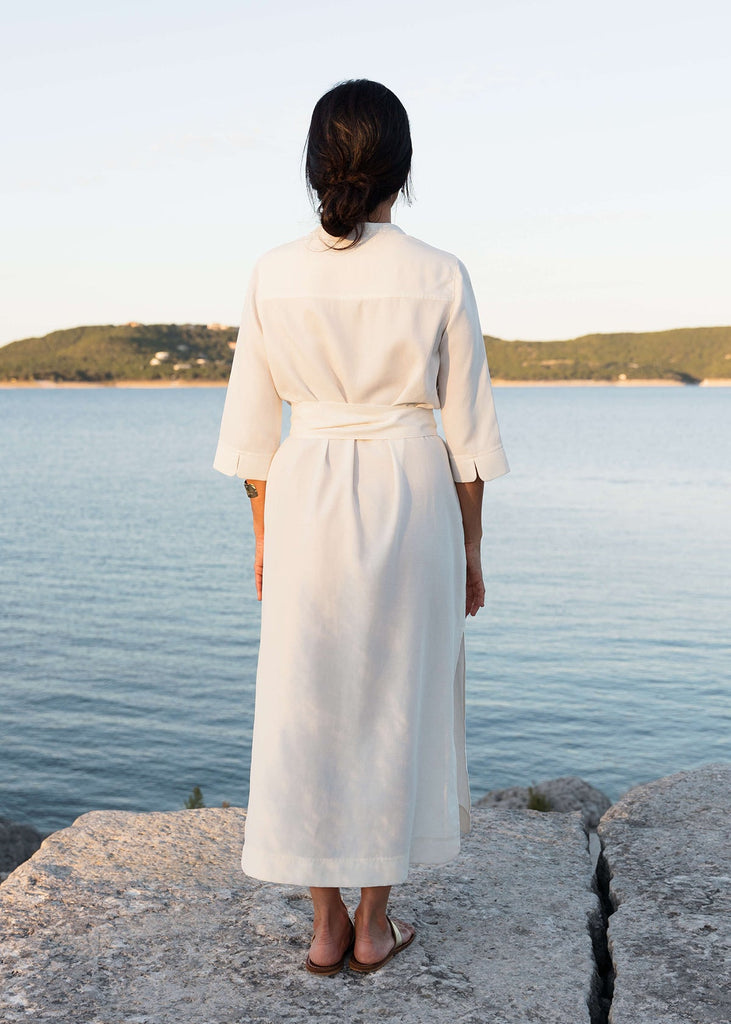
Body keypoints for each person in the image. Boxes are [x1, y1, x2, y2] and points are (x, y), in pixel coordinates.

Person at [213, 78, 509, 976]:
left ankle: (322, 925)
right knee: (397, 696)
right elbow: (468, 440)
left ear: (315, 167)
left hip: (307, 493)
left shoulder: (272, 271)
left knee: (304, 698)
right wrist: (470, 548)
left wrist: (266, 540)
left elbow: (254, 437)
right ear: (402, 170)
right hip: (410, 488)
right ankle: (375, 924)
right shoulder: (437, 272)